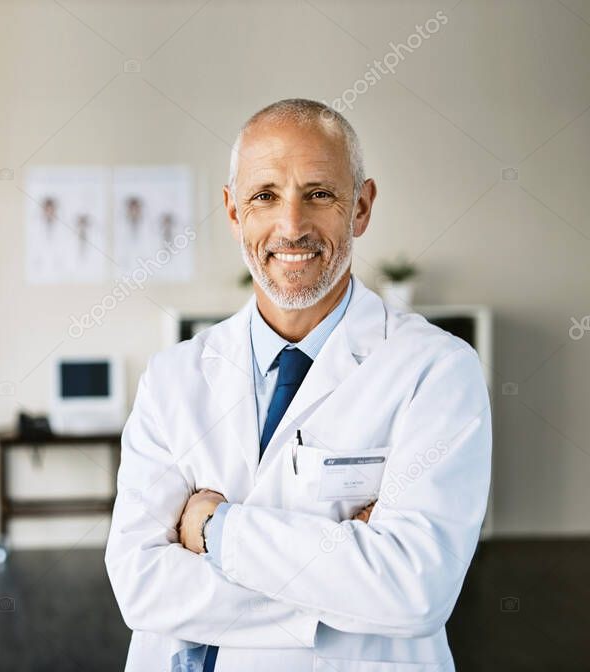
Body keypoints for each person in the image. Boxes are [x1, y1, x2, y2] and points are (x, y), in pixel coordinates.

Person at [104, 98, 491, 672]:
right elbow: (140, 586)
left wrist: (215, 528)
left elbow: (414, 592)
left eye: (319, 194)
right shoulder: (173, 378)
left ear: (360, 207)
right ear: (234, 212)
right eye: (265, 196)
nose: (291, 226)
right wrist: (340, 586)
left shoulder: (436, 371)